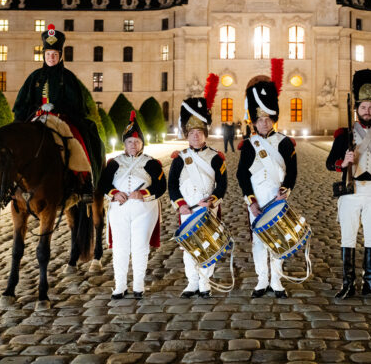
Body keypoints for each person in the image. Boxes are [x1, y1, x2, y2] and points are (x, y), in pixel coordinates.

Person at [326, 69, 371, 299]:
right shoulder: (343, 135)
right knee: (348, 236)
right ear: (356, 109)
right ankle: (348, 284)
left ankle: (370, 283)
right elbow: (330, 163)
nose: (367, 111)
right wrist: (343, 162)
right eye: (363, 107)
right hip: (351, 191)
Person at [13, 24, 104, 202]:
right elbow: (21, 104)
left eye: (55, 54)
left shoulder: (68, 77)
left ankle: (85, 180)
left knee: (81, 137)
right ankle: (13, 183)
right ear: (44, 55)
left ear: (60, 56)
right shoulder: (34, 77)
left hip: (62, 119)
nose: (51, 58)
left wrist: (57, 108)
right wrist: (37, 110)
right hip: (37, 119)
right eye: (48, 54)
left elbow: (77, 105)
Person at [237, 69, 298, 298]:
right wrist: (250, 201)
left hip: (277, 198)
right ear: (255, 121)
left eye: (267, 119)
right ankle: (262, 280)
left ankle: (277, 281)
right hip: (257, 200)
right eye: (260, 120)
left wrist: (286, 190)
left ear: (273, 119)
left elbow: (292, 172)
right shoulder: (249, 144)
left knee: (278, 239)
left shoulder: (285, 143)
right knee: (259, 242)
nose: (263, 123)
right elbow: (242, 175)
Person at [169, 75, 227, 298]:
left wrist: (212, 200)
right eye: (192, 133)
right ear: (187, 135)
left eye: (199, 133)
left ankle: (205, 283)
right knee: (188, 247)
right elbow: (172, 184)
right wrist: (180, 204)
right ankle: (191, 282)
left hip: (207, 206)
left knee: (207, 245)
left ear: (205, 134)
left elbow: (222, 184)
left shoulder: (215, 157)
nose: (195, 136)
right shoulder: (179, 158)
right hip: (187, 208)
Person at [97, 111, 165, 299]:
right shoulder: (114, 163)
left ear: (142, 143)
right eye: (129, 142)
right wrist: (114, 193)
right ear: (124, 144)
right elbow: (103, 184)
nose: (133, 145)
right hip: (119, 210)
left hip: (144, 210)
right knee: (120, 247)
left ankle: (138, 285)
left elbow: (161, 186)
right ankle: (119, 285)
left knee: (140, 246)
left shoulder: (151, 163)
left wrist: (143, 193)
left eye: (136, 142)